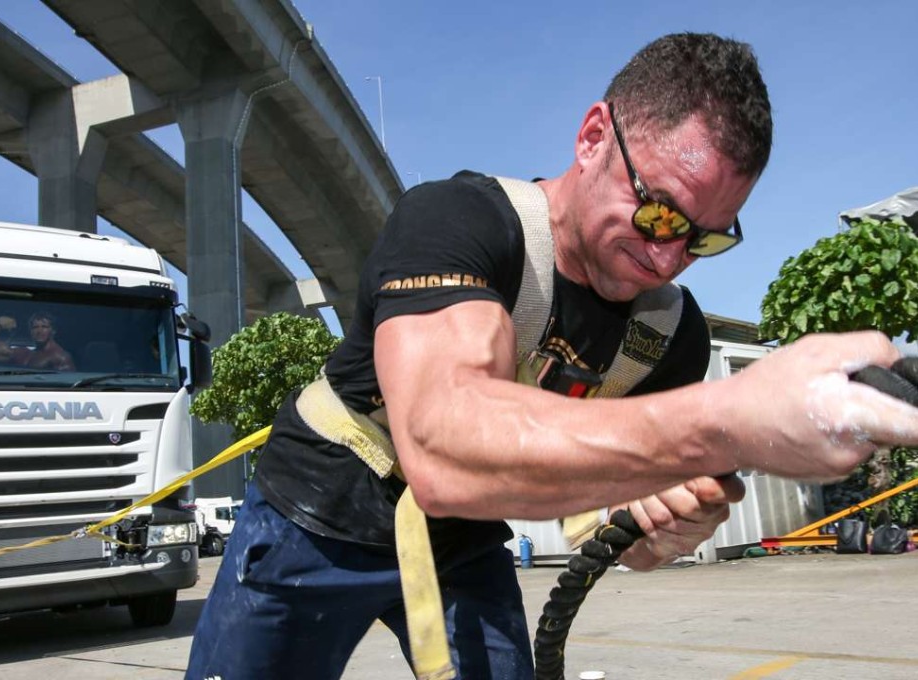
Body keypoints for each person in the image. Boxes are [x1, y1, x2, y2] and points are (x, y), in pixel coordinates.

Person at [186, 33, 918, 680]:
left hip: (463, 541)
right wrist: (727, 418)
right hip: (311, 513)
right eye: (659, 212)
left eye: (705, 238)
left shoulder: (671, 335)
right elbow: (443, 446)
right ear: (594, 136)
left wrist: (659, 526)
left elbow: (619, 532)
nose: (669, 258)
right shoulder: (458, 221)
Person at [0, 311, 75, 371]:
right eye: (35, 327)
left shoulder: (60, 357)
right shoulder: (23, 353)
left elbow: (68, 390)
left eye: (44, 327)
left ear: (53, 331)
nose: (39, 331)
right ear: (30, 331)